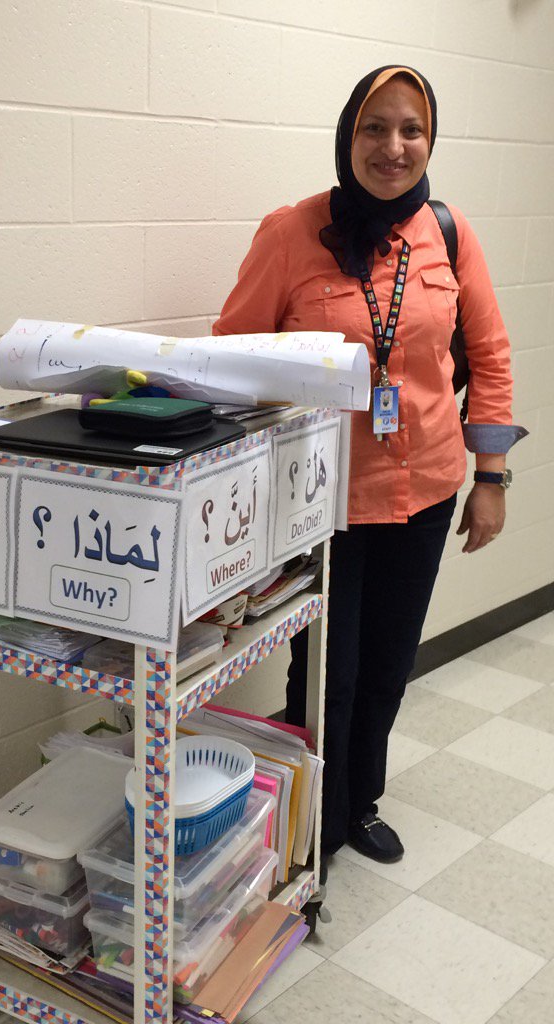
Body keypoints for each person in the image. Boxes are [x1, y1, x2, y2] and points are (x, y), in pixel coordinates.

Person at [213, 66, 526, 871]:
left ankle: (360, 804)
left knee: (388, 665)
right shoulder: (291, 233)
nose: (393, 147)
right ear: (348, 135)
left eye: (411, 130)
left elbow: (489, 355)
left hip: (425, 487)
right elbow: (232, 360)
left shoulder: (448, 233)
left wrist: (490, 478)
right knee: (327, 674)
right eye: (374, 128)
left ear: (430, 140)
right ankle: (304, 822)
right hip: (323, 504)